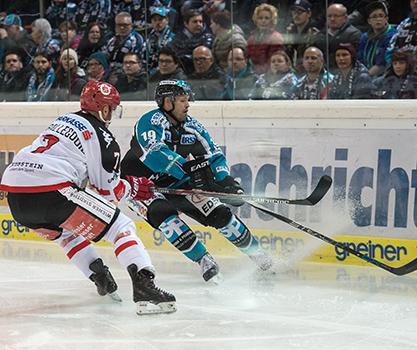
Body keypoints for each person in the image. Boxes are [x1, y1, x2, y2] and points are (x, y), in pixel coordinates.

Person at [0, 80, 176, 315]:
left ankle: (100, 277)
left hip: (16, 198)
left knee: (67, 232)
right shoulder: (103, 137)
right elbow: (107, 192)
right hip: (52, 190)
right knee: (121, 226)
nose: (112, 113)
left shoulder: (61, 120)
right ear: (103, 109)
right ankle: (145, 286)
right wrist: (132, 186)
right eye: (111, 108)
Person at [120, 79, 273, 283]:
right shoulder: (150, 121)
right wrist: (189, 171)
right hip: (141, 184)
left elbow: (213, 153)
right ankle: (204, 261)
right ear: (167, 102)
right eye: (182, 100)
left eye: (187, 100)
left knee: (220, 214)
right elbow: (155, 153)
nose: (188, 104)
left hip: (176, 180)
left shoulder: (192, 126)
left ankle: (260, 256)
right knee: (165, 217)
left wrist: (225, 180)